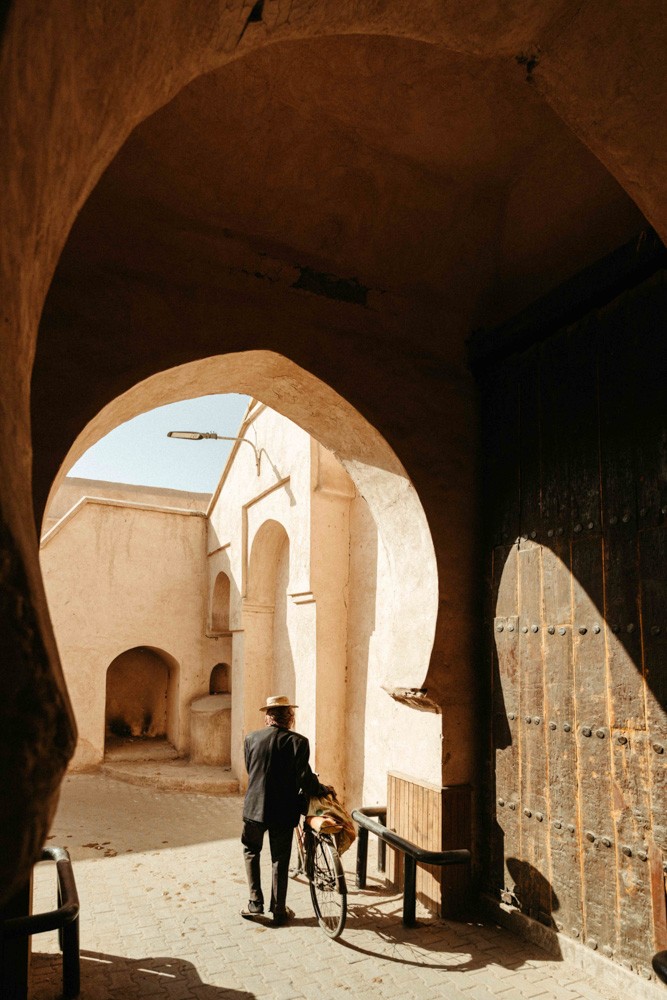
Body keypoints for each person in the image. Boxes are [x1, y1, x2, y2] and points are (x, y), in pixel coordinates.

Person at [241, 694, 329, 925]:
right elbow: (304, 779)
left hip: (253, 808)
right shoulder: (298, 742)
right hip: (282, 810)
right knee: (279, 858)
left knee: (251, 851)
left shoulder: (251, 738)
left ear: (268, 717)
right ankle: (279, 910)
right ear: (289, 718)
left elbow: (251, 770)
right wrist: (321, 789)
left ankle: (254, 903)